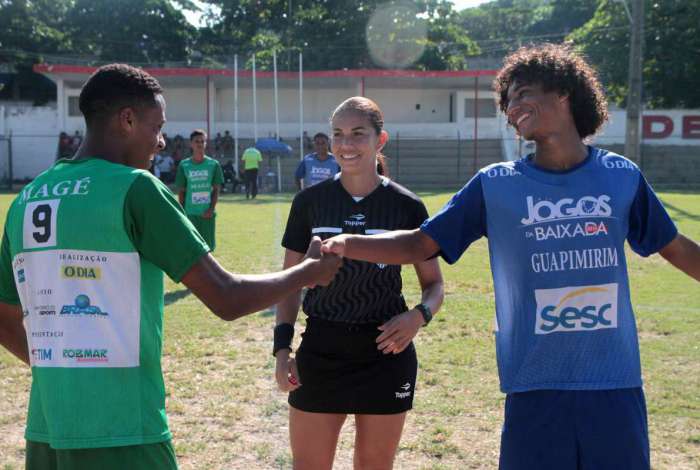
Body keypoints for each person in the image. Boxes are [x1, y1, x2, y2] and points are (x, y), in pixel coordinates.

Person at [322, 44, 700, 470]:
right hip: (534, 385)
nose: (513, 107)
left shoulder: (621, 176)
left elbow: (677, 248)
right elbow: (418, 245)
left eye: (523, 93)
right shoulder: (496, 185)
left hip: (612, 383)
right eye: (508, 100)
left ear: (564, 92)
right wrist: (348, 243)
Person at [0, 63, 341, 470]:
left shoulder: (27, 198)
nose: (161, 141)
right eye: (156, 126)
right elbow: (226, 297)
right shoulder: (137, 188)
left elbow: (5, 321)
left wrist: (68, 370)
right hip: (125, 428)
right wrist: (307, 271)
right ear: (127, 120)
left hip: (47, 429)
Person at [274, 96, 444, 470]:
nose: (345, 144)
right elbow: (288, 284)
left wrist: (418, 317)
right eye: (338, 134)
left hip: (386, 352)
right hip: (322, 349)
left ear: (379, 140)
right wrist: (282, 349)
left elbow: (434, 286)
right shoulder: (310, 202)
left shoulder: (406, 206)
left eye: (357, 134)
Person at [175, 130, 224, 251]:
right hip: (190, 214)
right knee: (191, 248)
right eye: (197, 141)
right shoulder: (184, 165)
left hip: (206, 214)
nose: (200, 144)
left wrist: (211, 209)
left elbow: (216, 189)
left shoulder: (213, 164)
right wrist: (182, 213)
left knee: (208, 249)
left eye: (203, 141)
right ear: (191, 144)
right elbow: (181, 191)